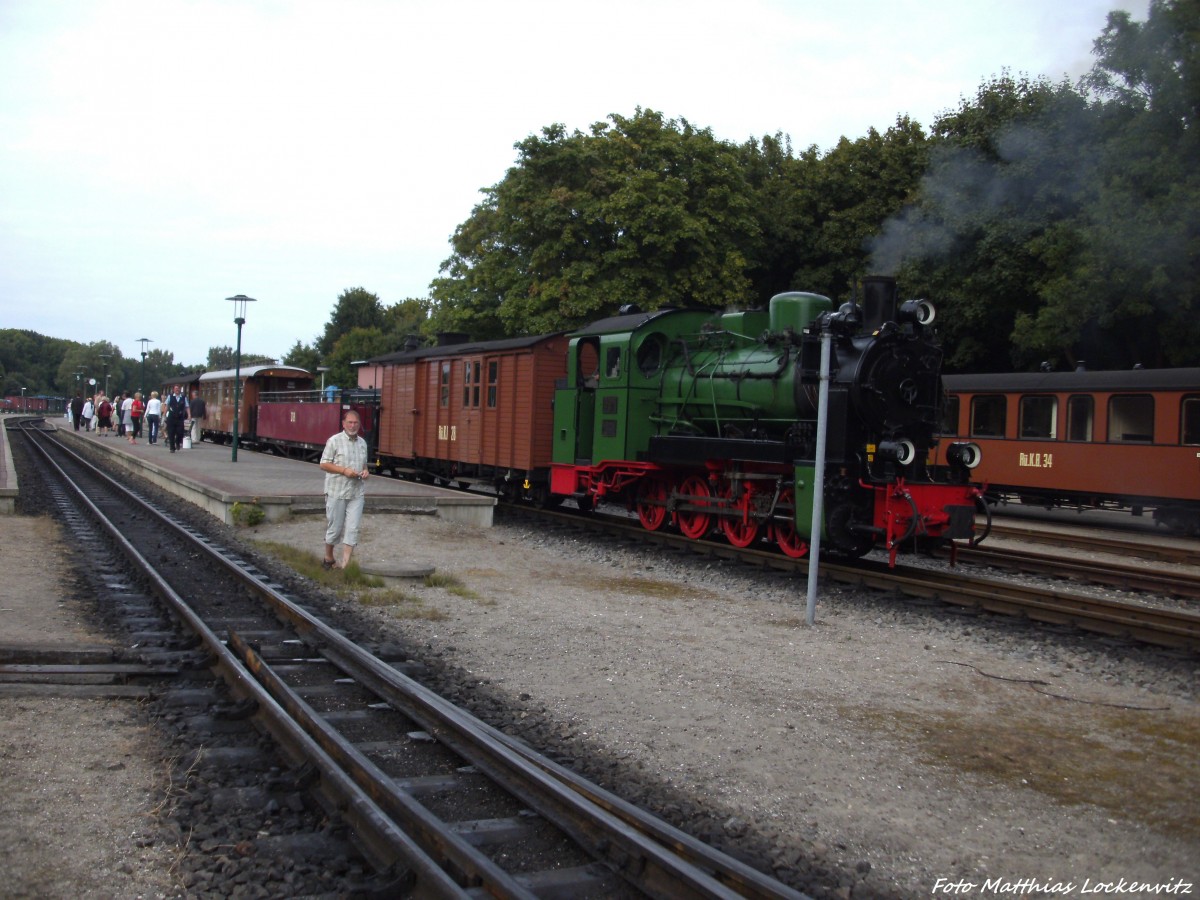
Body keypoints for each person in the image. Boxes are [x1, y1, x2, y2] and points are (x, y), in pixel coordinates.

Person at [318, 410, 370, 569]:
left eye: (356, 423)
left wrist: (366, 471)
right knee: (335, 527)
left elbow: (364, 464)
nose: (353, 426)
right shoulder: (334, 441)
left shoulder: (362, 443)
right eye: (350, 422)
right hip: (337, 491)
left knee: (353, 528)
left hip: (356, 492)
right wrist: (343, 471)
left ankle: (345, 565)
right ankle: (328, 557)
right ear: (343, 424)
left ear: (359, 425)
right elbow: (323, 464)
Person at [165, 386, 188, 452]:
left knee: (180, 432)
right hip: (171, 416)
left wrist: (189, 415)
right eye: (176, 389)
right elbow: (167, 406)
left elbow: (187, 406)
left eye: (178, 389)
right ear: (174, 390)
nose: (177, 390)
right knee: (171, 433)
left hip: (180, 417)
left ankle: (177, 442)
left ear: (180, 390)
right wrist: (164, 415)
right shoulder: (170, 397)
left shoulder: (183, 398)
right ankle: (172, 448)